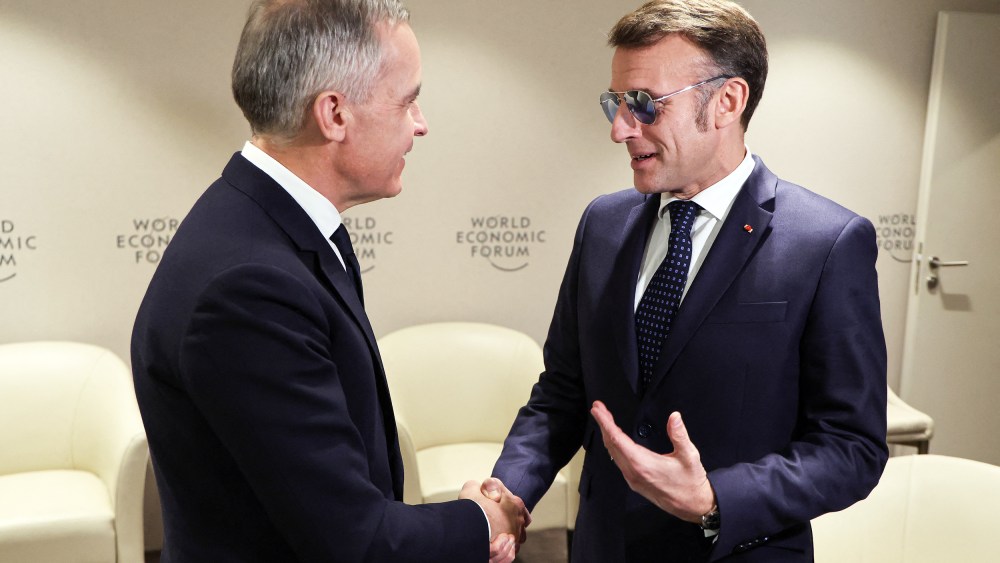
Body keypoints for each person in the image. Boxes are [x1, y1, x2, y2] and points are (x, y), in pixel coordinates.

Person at [489, 0, 888, 561]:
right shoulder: (602, 223)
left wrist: (715, 498)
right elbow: (562, 394)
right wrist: (506, 496)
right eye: (615, 102)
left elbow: (852, 447)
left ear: (728, 101)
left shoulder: (827, 243)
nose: (620, 129)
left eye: (644, 104)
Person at [131, 1, 526, 561]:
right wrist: (481, 522)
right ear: (334, 114)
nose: (420, 123)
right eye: (407, 100)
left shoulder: (269, 228)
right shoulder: (248, 288)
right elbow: (351, 539)